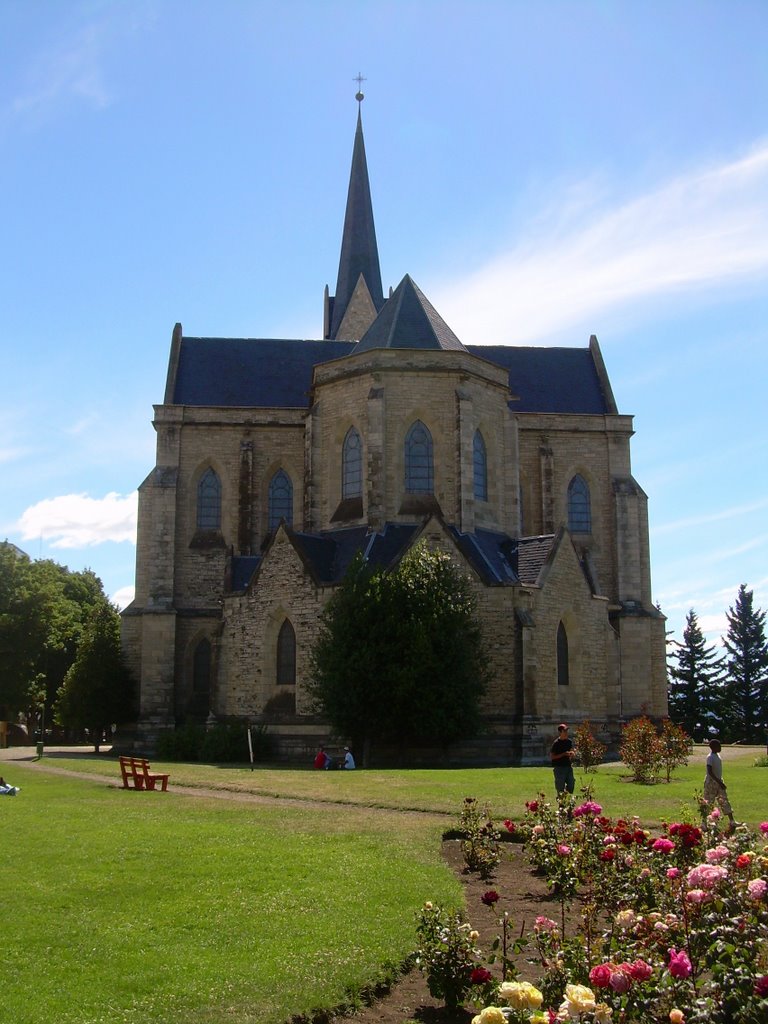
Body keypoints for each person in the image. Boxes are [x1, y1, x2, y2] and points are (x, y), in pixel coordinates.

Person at [703, 738, 737, 832]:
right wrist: (719, 782)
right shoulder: (710, 757)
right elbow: (710, 771)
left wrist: (720, 781)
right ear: (713, 747)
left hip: (718, 781)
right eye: (719, 746)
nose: (720, 747)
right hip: (711, 782)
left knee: (724, 800)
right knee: (708, 803)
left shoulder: (717, 755)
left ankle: (732, 821)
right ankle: (704, 823)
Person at [550, 723, 575, 795]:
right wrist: (563, 754)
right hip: (559, 768)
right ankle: (561, 804)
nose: (566, 732)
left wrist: (572, 754)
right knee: (560, 788)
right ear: (560, 732)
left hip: (568, 767)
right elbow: (552, 757)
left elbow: (571, 750)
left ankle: (567, 799)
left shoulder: (569, 742)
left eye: (567, 731)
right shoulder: (556, 743)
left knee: (571, 784)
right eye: (565, 731)